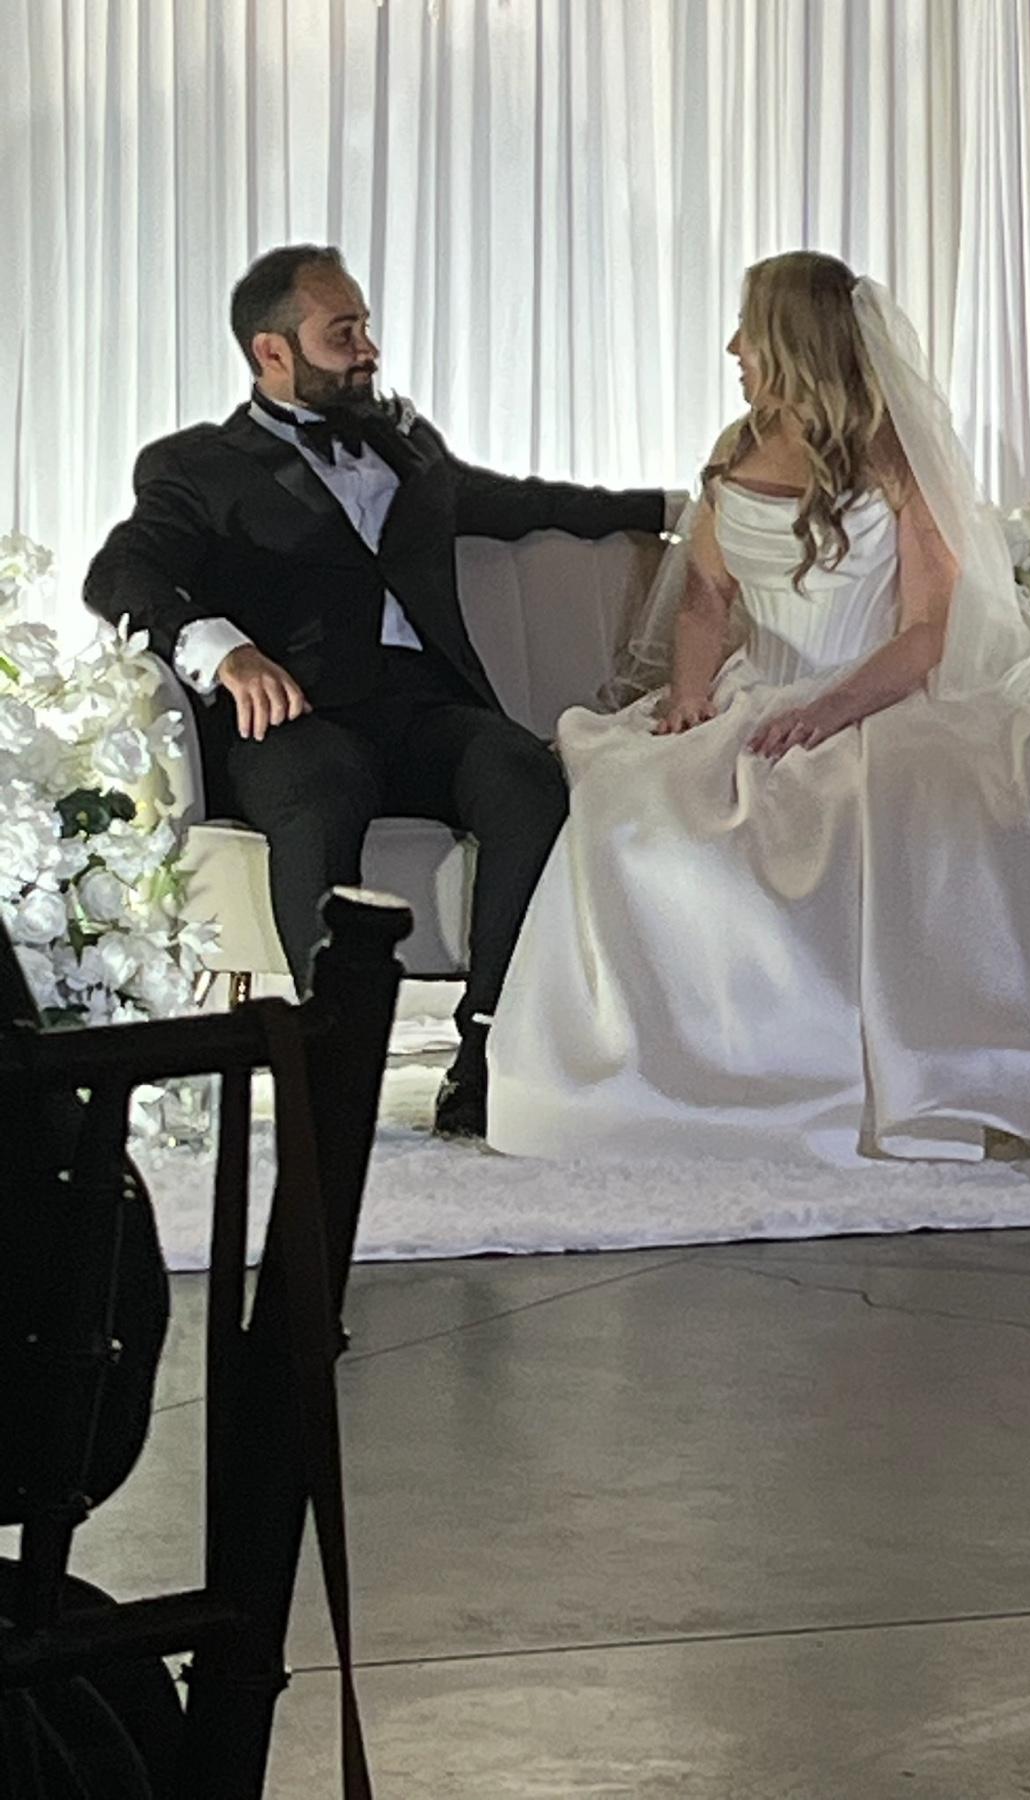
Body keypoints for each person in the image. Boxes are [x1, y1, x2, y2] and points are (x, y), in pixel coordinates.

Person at [486, 250, 1030, 1198]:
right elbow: (703, 597)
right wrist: (691, 695)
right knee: (632, 809)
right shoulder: (739, 447)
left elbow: (930, 630)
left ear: (795, 342)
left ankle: (909, 1080)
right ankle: (667, 1083)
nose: (733, 348)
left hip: (878, 696)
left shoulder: (897, 460)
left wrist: (829, 709)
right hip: (751, 698)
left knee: (883, 820)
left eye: (749, 331)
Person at [86, 243, 679, 1137]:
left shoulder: (406, 446)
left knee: (525, 777)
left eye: (364, 326)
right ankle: (330, 1062)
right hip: (299, 716)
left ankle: (486, 1052)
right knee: (320, 793)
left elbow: (514, 503)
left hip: (424, 709)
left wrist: (677, 510)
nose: (368, 348)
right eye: (343, 333)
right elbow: (120, 573)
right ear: (272, 351)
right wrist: (227, 652)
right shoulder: (197, 465)